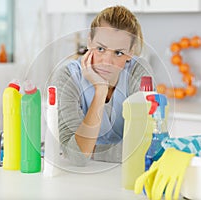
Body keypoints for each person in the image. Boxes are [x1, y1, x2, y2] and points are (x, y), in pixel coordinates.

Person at [52, 5, 152, 166]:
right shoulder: (67, 77)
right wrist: (100, 91)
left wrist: (93, 151)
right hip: (80, 177)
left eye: (118, 53)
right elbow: (77, 156)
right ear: (89, 42)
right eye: (100, 49)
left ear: (131, 52)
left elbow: (144, 148)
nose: (107, 62)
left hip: (128, 174)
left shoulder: (138, 72)